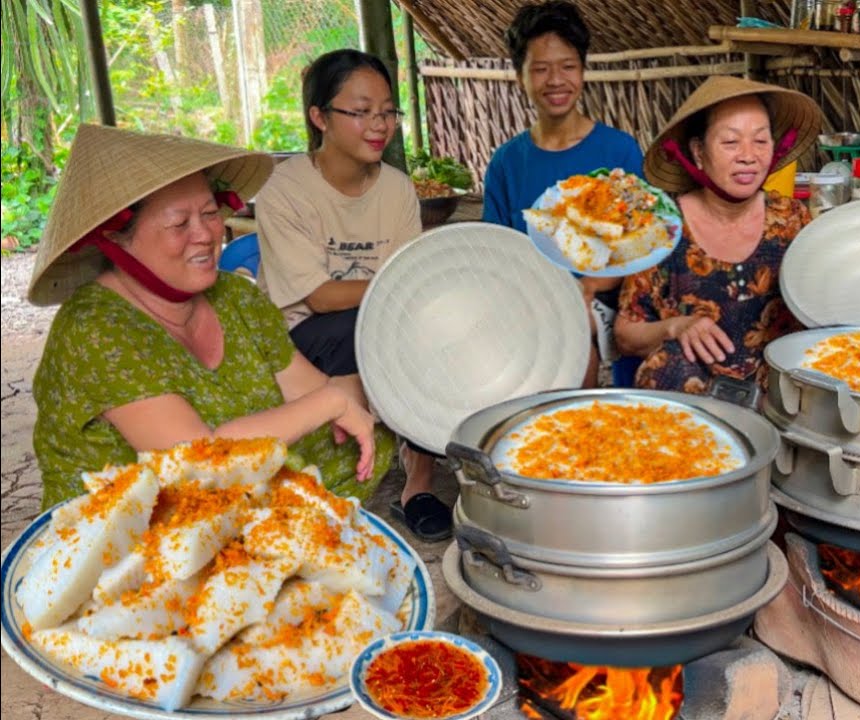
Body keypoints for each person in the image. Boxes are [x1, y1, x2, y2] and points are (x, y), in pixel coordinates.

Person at [28, 123, 395, 511]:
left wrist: (385, 384)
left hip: (236, 505)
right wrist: (331, 403)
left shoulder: (236, 298)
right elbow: (197, 464)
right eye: (179, 223)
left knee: (362, 433)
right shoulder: (92, 329)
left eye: (209, 212)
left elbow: (313, 391)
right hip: (132, 535)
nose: (205, 234)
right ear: (115, 237)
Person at [253, 49, 450, 541]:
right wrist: (402, 291)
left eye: (387, 111)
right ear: (320, 117)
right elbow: (318, 297)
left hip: (375, 318)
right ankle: (339, 474)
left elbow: (409, 283)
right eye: (360, 112)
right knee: (362, 331)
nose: (378, 124)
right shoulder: (285, 189)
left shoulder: (398, 190)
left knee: (431, 329)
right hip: (301, 335)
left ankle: (418, 483)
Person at [614, 76, 822, 395]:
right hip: (693, 402)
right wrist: (675, 327)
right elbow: (626, 334)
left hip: (778, 395)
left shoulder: (792, 218)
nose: (748, 155)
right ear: (698, 153)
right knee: (671, 364)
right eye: (730, 142)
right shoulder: (661, 227)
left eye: (760, 141)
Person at [482, 1, 645, 387]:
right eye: (540, 69)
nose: (556, 80)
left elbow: (636, 243)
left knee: (572, 340)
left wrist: (588, 287)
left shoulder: (618, 153)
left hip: (597, 305)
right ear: (520, 76)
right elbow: (496, 250)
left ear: (583, 71)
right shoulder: (506, 163)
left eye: (568, 66)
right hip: (528, 304)